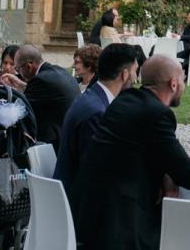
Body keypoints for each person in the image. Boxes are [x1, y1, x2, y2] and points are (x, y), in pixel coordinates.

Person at [67, 56, 190, 250]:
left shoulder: (124, 100)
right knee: (185, 234)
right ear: (173, 84)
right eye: (182, 80)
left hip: (88, 213)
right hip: (121, 224)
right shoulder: (157, 114)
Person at [54, 43, 143, 186]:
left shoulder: (90, 97)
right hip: (78, 199)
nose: (135, 78)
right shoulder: (97, 112)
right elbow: (97, 170)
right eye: (135, 71)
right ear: (124, 74)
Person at [5, 44, 80, 146]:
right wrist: (21, 85)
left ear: (29, 66)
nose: (18, 73)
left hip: (55, 143)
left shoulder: (40, 80)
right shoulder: (57, 70)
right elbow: (44, 93)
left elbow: (19, 109)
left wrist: (5, 91)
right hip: (72, 134)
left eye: (18, 69)